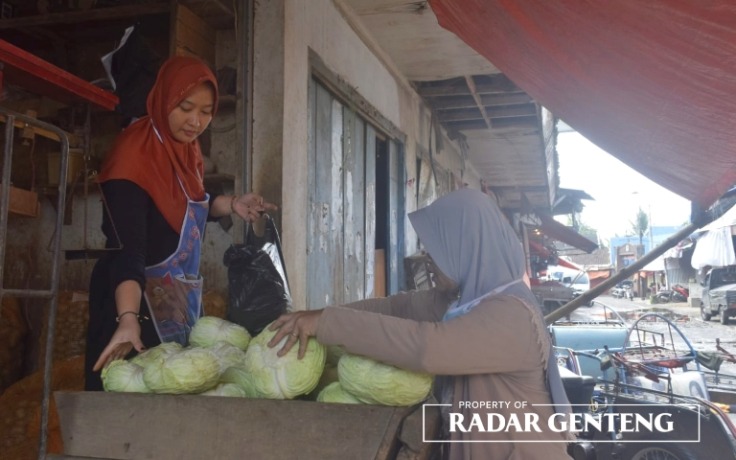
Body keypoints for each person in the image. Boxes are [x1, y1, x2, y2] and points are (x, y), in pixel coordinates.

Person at [268, 188, 572, 460]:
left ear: (467, 247)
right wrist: (320, 313)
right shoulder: (462, 299)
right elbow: (398, 307)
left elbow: (427, 347)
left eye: (437, 250)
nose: (427, 259)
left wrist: (327, 322)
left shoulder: (512, 314)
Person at [84, 56, 276, 391]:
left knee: (167, 406)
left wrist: (232, 204)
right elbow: (128, 253)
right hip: (129, 303)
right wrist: (128, 320)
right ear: (164, 100)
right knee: (125, 404)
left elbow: (191, 203)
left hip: (172, 302)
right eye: (185, 107)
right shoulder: (133, 157)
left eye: (206, 111)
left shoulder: (185, 151)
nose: (195, 121)